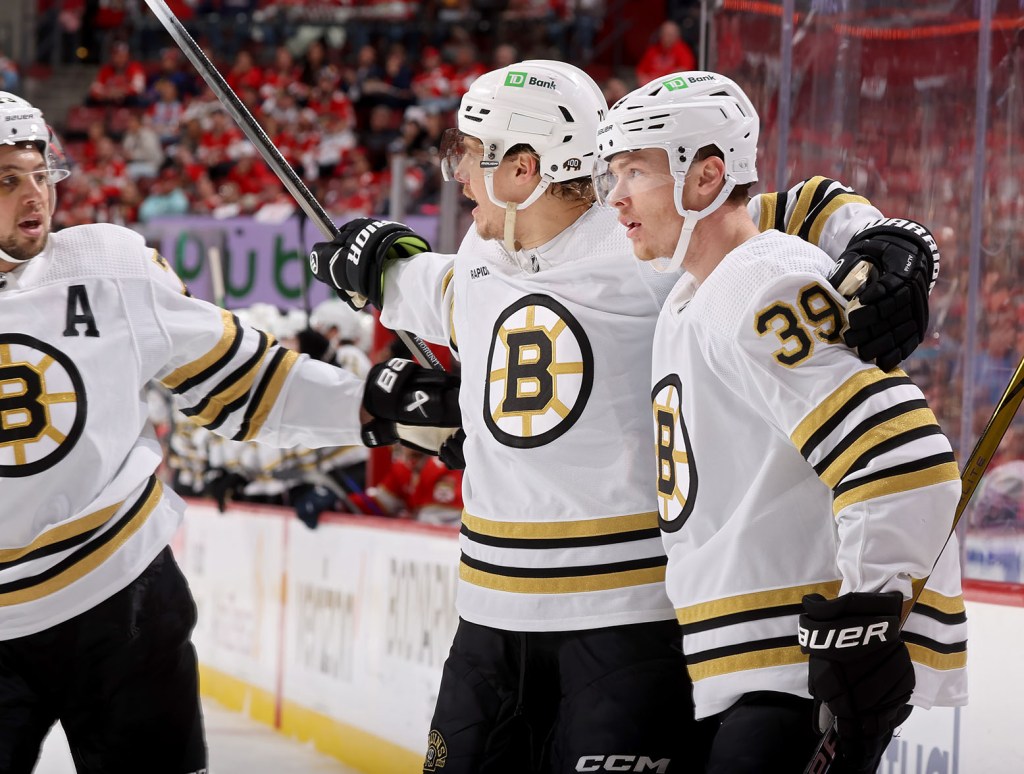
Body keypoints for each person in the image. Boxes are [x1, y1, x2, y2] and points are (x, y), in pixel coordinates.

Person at [308, 61, 940, 773]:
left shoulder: (649, 245)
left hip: (628, 619)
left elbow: (783, 212)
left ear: (524, 167)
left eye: (467, 151)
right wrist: (380, 270)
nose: (453, 172)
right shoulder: (490, 253)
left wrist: (889, 237)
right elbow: (449, 287)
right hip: (488, 617)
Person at [0, 91, 454, 774]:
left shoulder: (110, 269)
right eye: (8, 179)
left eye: (40, 173)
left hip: (118, 594)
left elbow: (245, 378)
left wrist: (376, 405)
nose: (35, 195)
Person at [593, 71, 967, 773]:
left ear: (705, 177)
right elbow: (800, 201)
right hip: (746, 669)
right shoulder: (693, 291)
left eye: (634, 171)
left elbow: (900, 459)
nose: (615, 196)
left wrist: (867, 625)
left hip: (800, 673)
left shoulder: (756, 281)